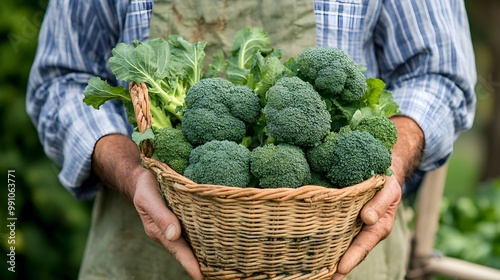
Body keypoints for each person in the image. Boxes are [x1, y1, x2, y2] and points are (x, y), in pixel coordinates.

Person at [27, 0, 476, 279]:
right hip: (143, 250)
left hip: (341, 247)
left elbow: (437, 74)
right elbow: (59, 81)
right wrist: (132, 173)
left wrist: (388, 166)